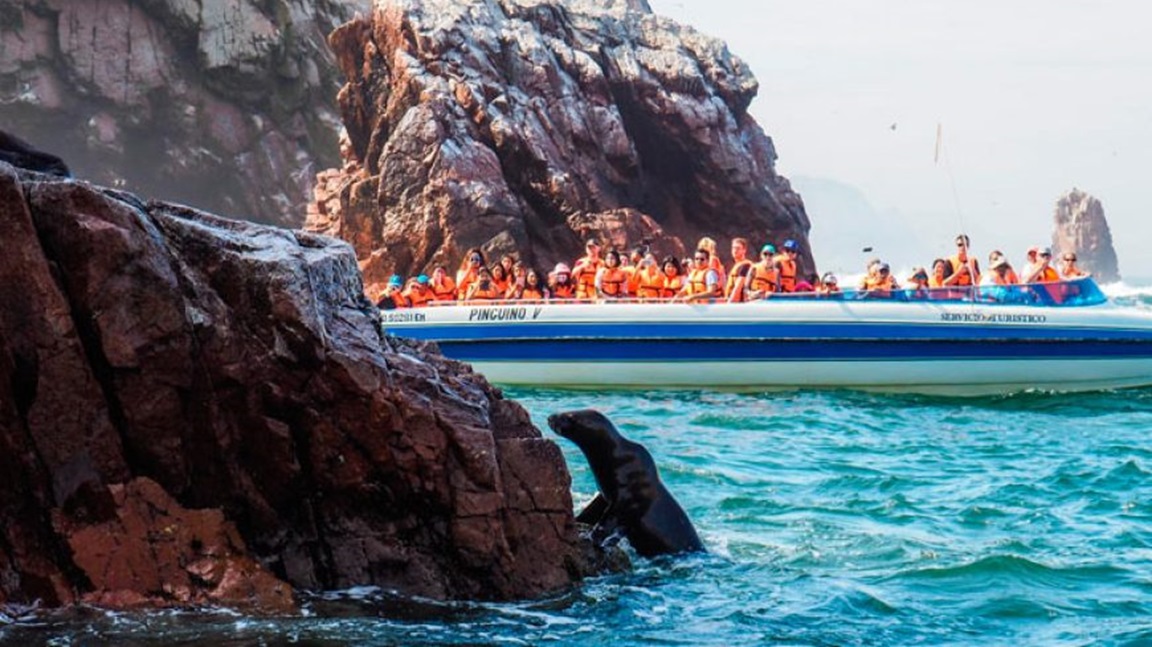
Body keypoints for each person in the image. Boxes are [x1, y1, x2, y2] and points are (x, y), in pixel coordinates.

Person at [725, 237, 753, 302]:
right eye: (733, 248)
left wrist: (728, 304)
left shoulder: (746, 265)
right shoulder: (736, 266)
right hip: (733, 301)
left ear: (744, 250)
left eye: (738, 248)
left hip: (740, 304)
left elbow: (738, 288)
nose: (735, 250)